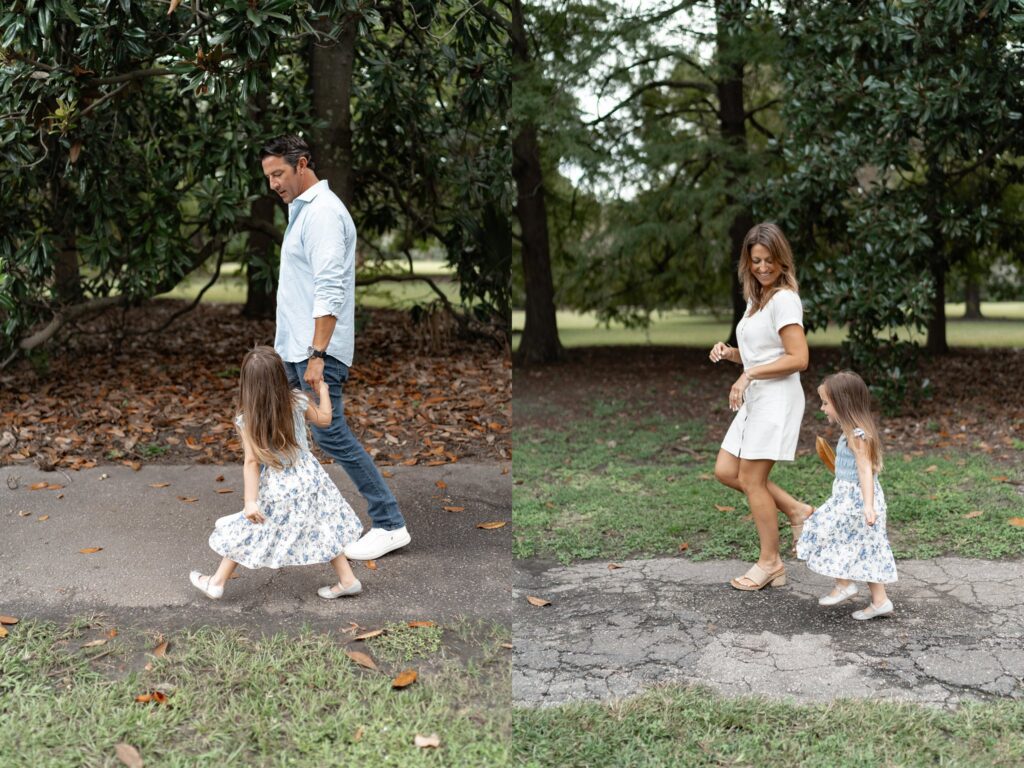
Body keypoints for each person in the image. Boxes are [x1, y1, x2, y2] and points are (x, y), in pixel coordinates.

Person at [258, 134, 410, 561]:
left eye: (279, 173)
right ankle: (279, 518)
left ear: (302, 164)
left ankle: (390, 523)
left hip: (315, 352)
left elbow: (330, 288)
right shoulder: (303, 211)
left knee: (330, 433)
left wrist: (317, 355)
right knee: (289, 433)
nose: (273, 184)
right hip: (296, 348)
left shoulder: (323, 213)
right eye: (268, 177)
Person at [190, 346, 364, 600]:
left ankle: (216, 582)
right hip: (310, 476)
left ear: (247, 384)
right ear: (280, 376)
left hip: (279, 484)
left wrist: (250, 502)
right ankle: (347, 579)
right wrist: (324, 392)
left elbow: (251, 462)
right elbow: (325, 419)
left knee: (251, 527)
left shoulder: (247, 419)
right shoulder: (297, 401)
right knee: (322, 522)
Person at [709, 222, 813, 591]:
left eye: (770, 260)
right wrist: (730, 354)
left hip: (776, 399)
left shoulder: (784, 299)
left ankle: (771, 563)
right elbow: (760, 354)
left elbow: (799, 358)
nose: (763, 267)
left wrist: (748, 374)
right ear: (747, 262)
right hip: (757, 397)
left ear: (782, 260)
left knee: (752, 479)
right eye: (756, 261)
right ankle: (797, 510)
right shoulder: (758, 300)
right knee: (727, 470)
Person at [797, 371, 897, 620]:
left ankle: (844, 584)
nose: (822, 408)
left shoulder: (856, 436)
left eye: (826, 403)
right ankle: (880, 601)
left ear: (843, 404)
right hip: (852, 498)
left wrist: (868, 505)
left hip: (856, 501)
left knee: (821, 527)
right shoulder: (851, 431)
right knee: (866, 548)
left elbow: (865, 470)